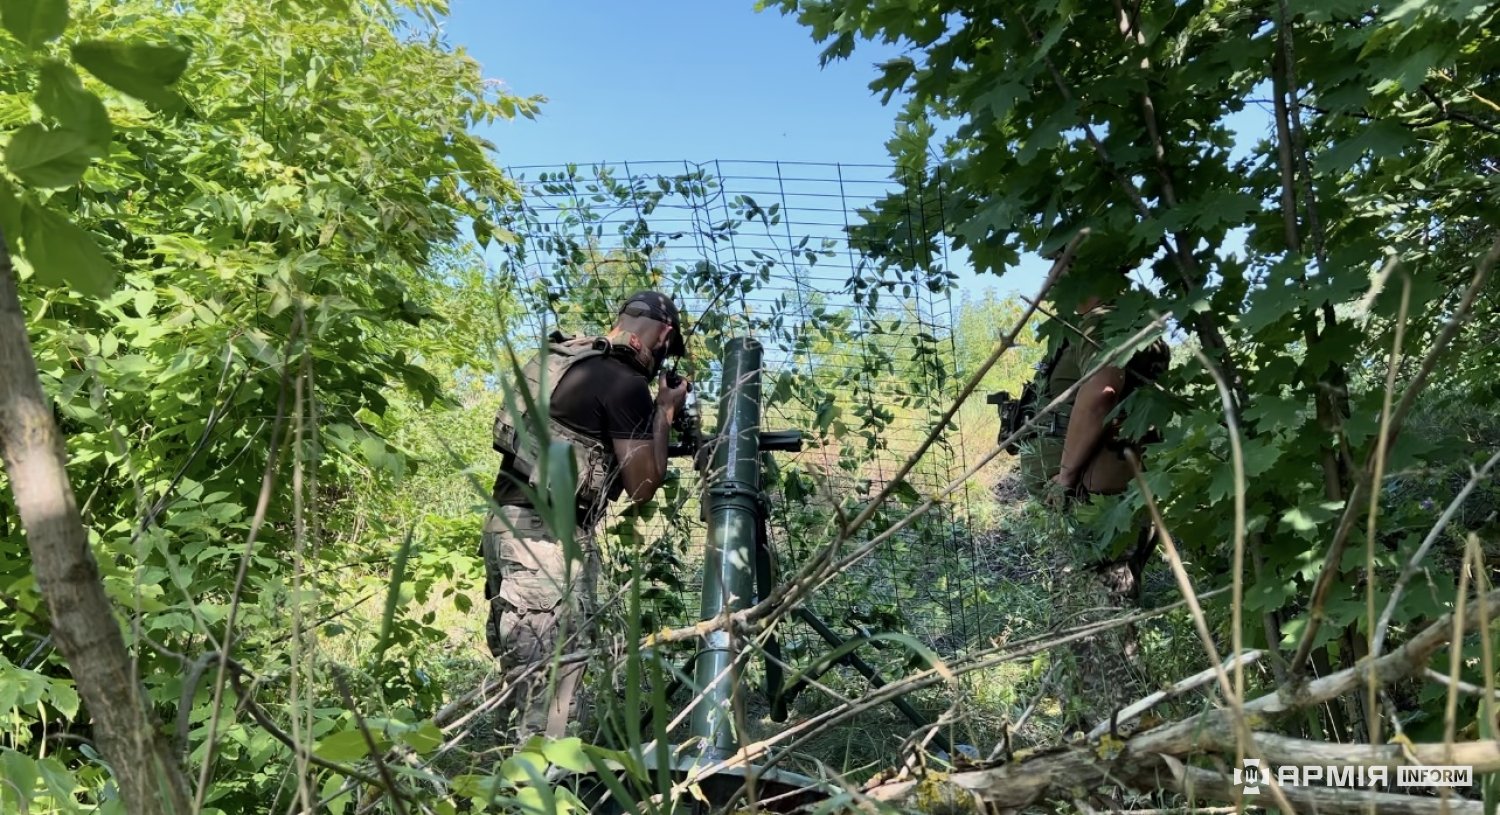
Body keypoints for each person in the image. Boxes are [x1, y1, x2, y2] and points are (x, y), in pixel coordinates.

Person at [482, 290, 691, 740]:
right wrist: (665, 412)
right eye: (666, 352)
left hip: (505, 529)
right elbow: (642, 487)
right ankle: (537, 802)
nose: (660, 363)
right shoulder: (621, 382)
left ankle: (505, 789)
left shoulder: (568, 361)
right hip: (546, 545)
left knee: (526, 682)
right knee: (551, 706)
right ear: (664, 335)